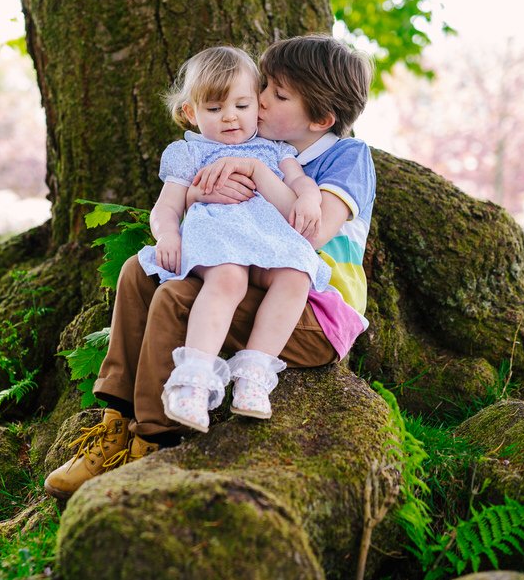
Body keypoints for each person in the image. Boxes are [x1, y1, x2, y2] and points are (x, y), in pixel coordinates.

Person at [45, 34, 375, 500]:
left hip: (311, 312)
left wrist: (256, 175)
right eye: (264, 88)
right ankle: (113, 425)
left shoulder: (346, 157)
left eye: (277, 95)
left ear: (321, 118)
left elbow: (311, 235)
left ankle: (152, 439)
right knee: (140, 273)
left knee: (178, 297)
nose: (258, 102)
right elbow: (217, 193)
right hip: (251, 274)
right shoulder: (260, 138)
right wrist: (201, 194)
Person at [135, 45, 331, 434]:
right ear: (190, 112)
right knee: (229, 279)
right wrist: (168, 234)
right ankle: (193, 380)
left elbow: (299, 184)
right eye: (214, 109)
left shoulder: (274, 150)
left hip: (269, 242)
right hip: (218, 240)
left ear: (256, 104)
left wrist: (309, 197)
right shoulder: (189, 153)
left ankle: (254, 375)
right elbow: (166, 206)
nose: (230, 117)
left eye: (241, 106)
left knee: (295, 276)